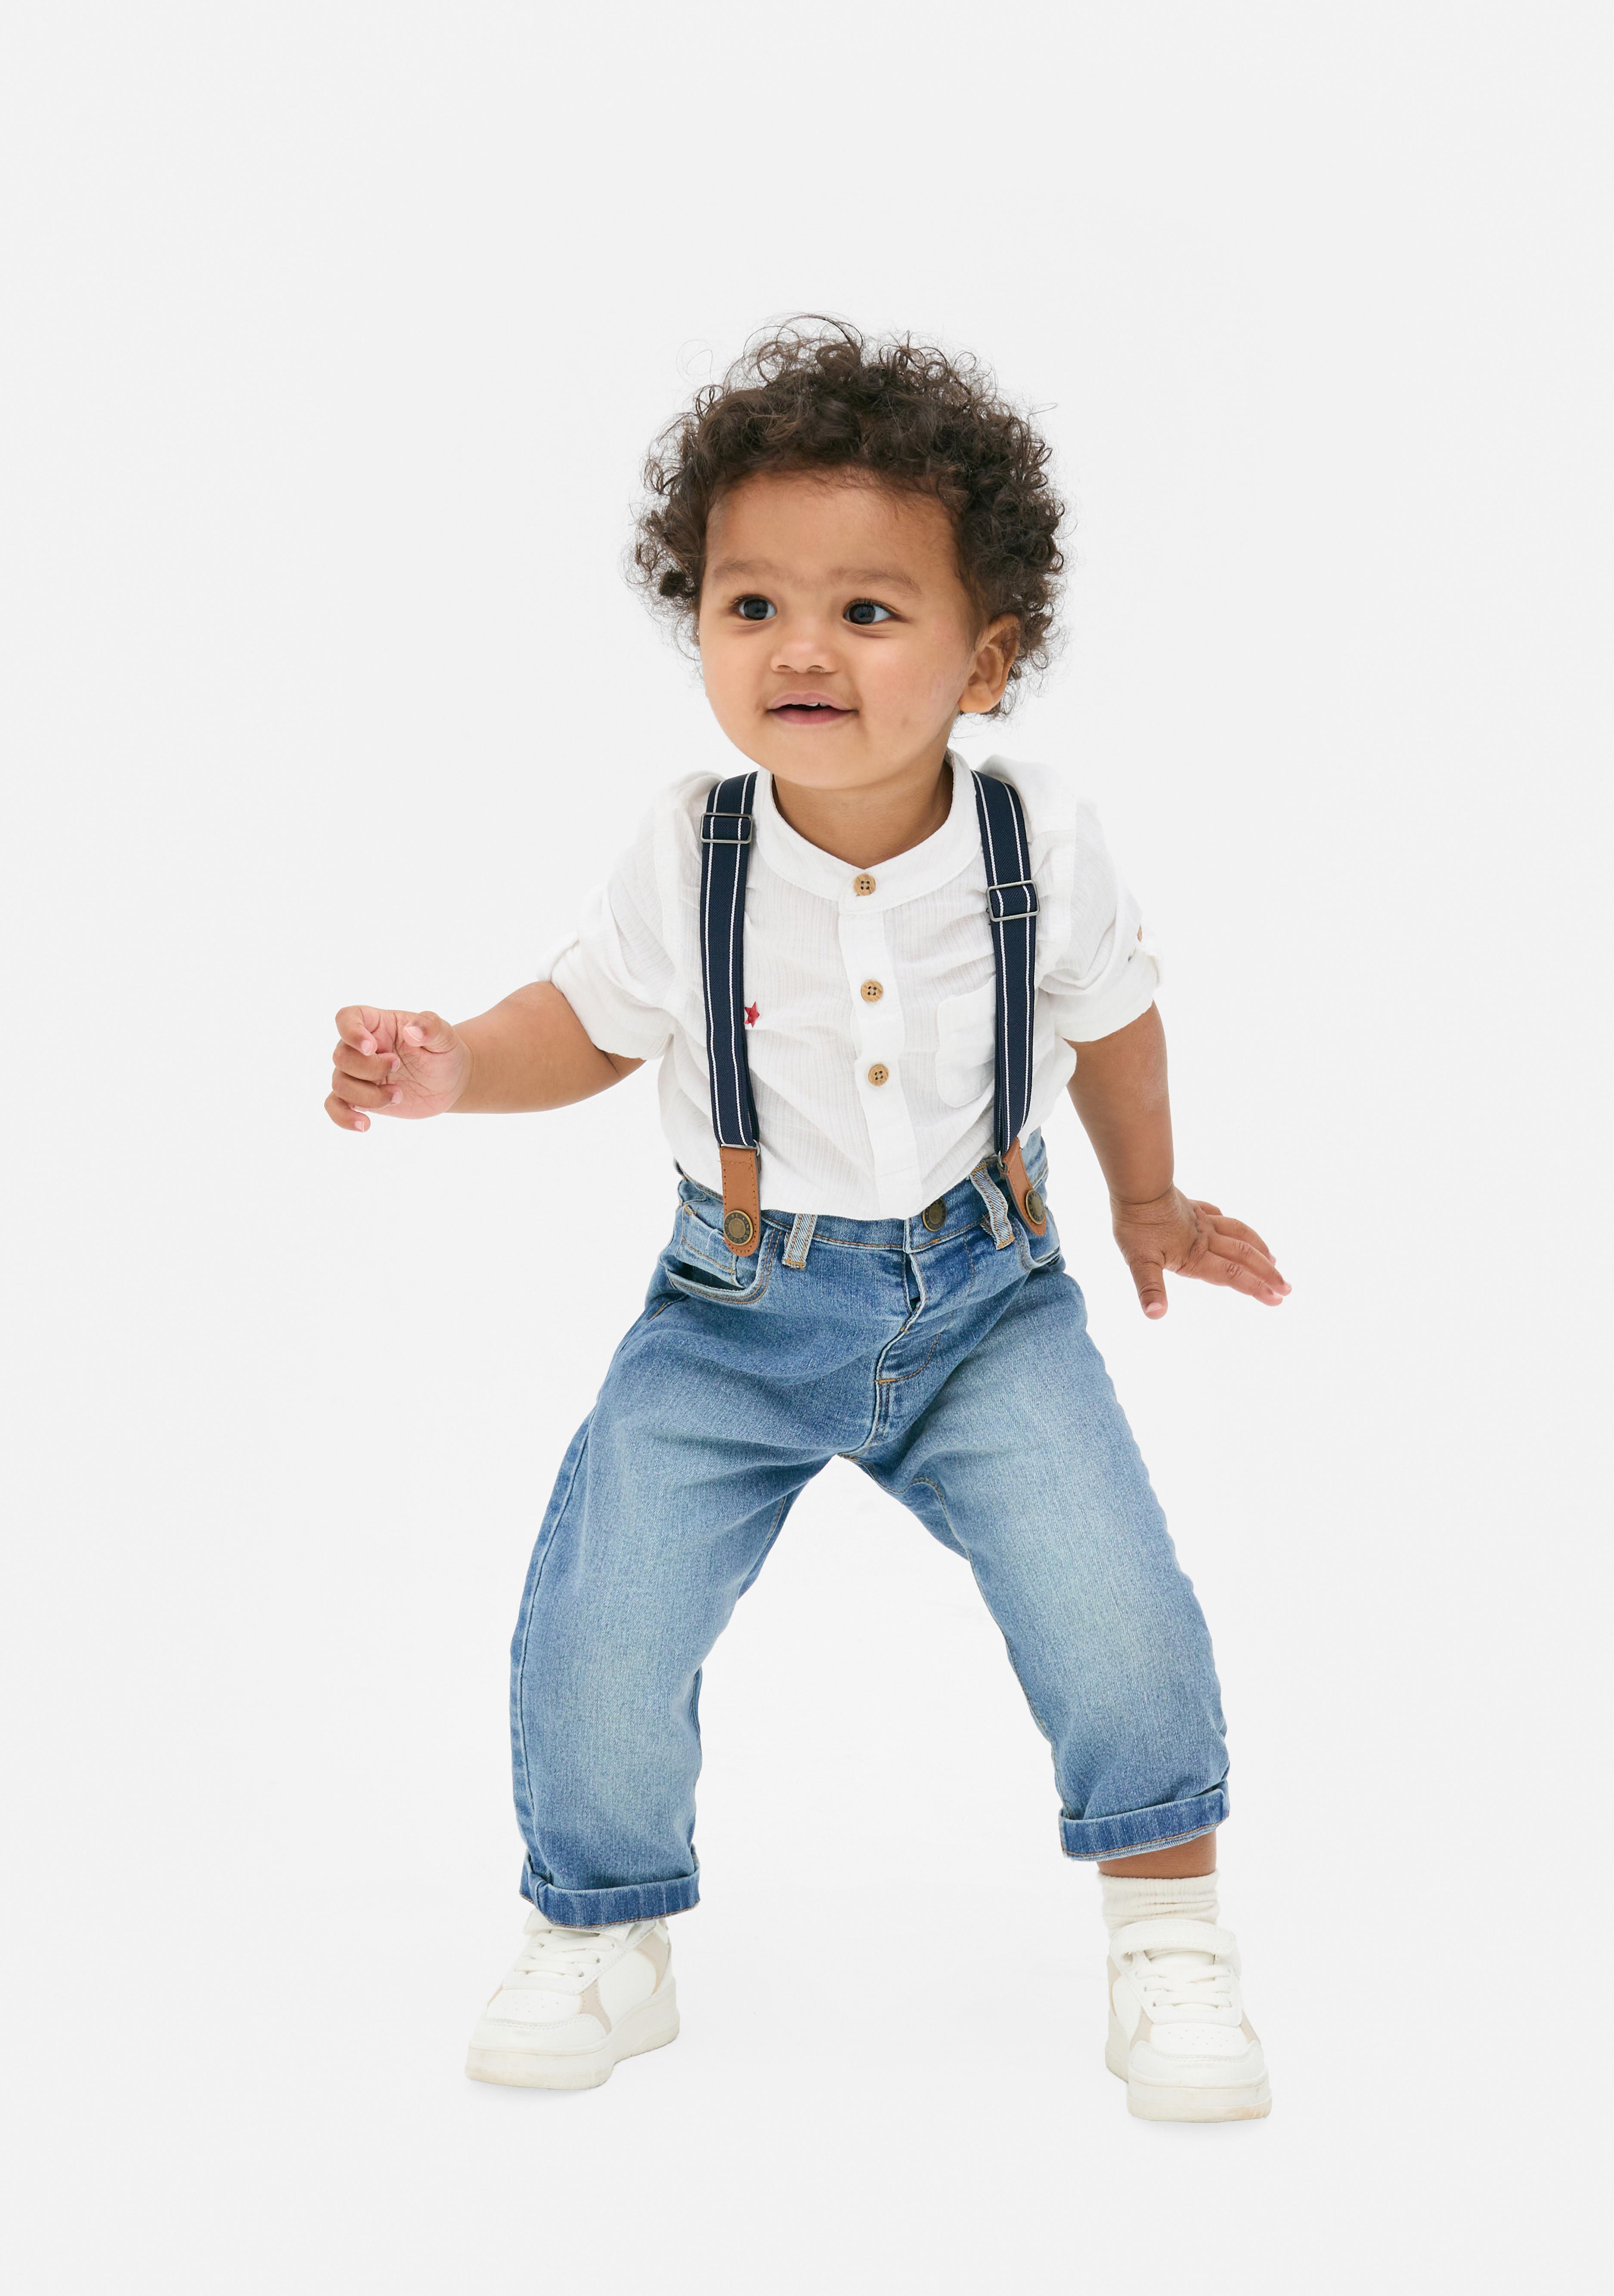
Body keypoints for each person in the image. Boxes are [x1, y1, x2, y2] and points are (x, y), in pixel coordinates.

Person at [326, 321, 1289, 2122]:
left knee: (1117, 1601)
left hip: (988, 1297)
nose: (799, 646)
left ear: (984, 659)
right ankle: (601, 1925)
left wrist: (1147, 1197)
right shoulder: (686, 845)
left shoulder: (1037, 841)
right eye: (750, 601)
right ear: (696, 626)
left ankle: (1169, 1930)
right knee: (605, 1611)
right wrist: (452, 1062)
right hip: (734, 1304)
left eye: (867, 610)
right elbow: (591, 1020)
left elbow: (1114, 1015)